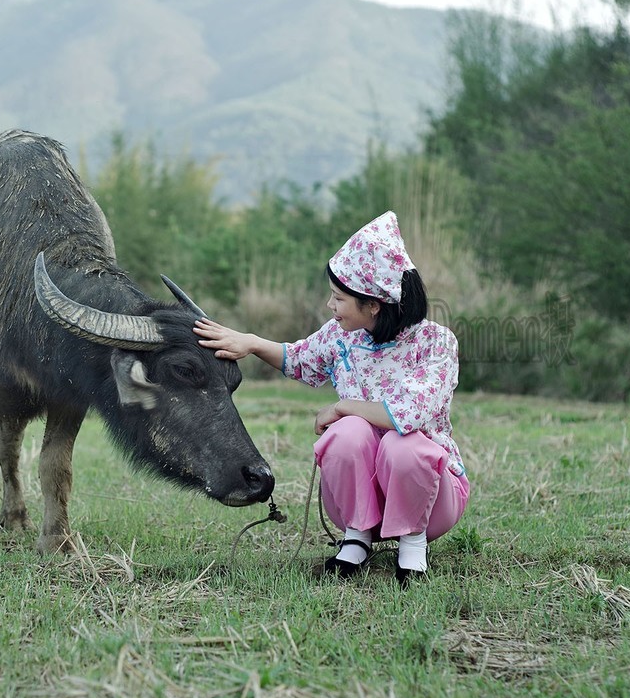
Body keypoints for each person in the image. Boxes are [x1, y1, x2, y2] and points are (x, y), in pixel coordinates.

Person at [193, 211, 469, 586]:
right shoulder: (343, 336)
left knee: (402, 444)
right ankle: (356, 537)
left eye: (339, 298)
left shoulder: (435, 342)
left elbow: (407, 414)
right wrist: (253, 343)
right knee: (347, 434)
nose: (330, 305)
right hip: (365, 497)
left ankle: (413, 544)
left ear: (373, 305)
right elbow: (299, 359)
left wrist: (342, 406)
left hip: (431, 500)